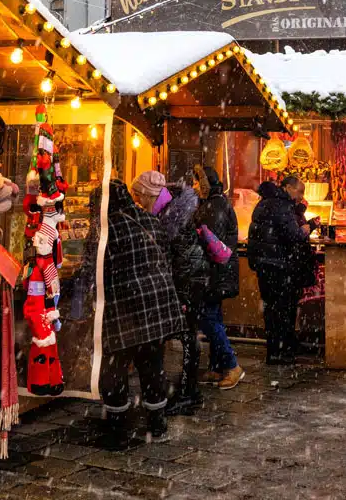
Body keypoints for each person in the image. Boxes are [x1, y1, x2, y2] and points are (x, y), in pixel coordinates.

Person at [81, 179, 184, 450]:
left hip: (125, 309)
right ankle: (157, 424)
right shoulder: (149, 220)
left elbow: (91, 268)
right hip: (156, 305)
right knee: (151, 365)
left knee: (113, 369)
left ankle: (118, 429)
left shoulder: (106, 228)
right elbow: (166, 256)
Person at [131, 170, 210, 414]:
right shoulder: (168, 212)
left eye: (139, 195)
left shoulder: (174, 217)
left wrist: (183, 296)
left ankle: (189, 393)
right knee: (187, 337)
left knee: (188, 338)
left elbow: (184, 260)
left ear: (149, 194)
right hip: (188, 282)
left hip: (190, 284)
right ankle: (188, 391)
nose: (137, 200)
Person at [247, 176, 312, 365]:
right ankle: (282, 352)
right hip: (279, 267)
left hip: (265, 266)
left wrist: (298, 212)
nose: (301, 196)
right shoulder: (281, 206)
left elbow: (275, 229)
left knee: (272, 309)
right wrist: (309, 227)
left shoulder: (266, 203)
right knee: (283, 310)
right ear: (287, 187)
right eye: (299, 191)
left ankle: (275, 351)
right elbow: (293, 235)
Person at [194, 165, 244, 389]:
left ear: (205, 183)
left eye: (197, 181)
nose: (195, 186)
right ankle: (216, 367)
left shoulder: (214, 207)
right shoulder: (215, 203)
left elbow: (209, 242)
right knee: (214, 318)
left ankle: (232, 365)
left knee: (209, 320)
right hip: (217, 273)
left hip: (214, 273)